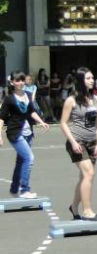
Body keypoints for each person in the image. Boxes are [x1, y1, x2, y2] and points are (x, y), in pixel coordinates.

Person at [60, 67, 97, 220]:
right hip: (77, 143)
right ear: (80, 80)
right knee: (89, 173)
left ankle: (73, 207)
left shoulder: (96, 99)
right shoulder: (71, 101)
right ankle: (87, 210)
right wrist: (72, 142)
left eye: (92, 78)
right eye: (88, 78)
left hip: (92, 143)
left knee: (84, 177)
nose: (92, 81)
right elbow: (63, 123)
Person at [0, 71, 50, 199]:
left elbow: (31, 112)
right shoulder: (9, 99)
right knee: (29, 158)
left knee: (21, 161)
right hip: (15, 133)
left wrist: (41, 122)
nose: (21, 82)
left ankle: (14, 188)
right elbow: (1, 118)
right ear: (12, 82)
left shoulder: (27, 94)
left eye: (22, 80)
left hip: (28, 132)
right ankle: (24, 190)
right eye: (17, 80)